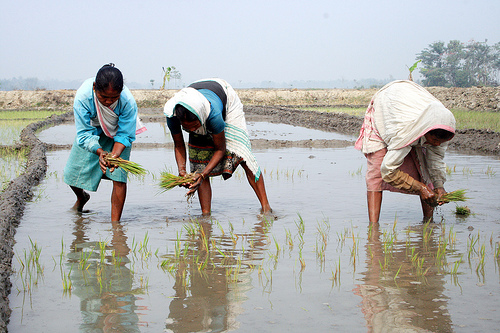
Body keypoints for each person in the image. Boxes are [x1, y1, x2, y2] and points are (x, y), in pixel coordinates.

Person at [163, 78, 272, 215]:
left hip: (226, 100)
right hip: (196, 96)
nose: (192, 131)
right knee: (198, 164)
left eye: (195, 126)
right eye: (187, 128)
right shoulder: (173, 116)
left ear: (201, 118)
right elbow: (179, 145)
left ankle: (266, 208)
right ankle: (206, 216)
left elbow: (220, 149)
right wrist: (182, 171)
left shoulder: (213, 115)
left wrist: (203, 175)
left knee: (243, 155)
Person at [355, 80, 456, 224]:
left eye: (441, 142)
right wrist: (420, 188)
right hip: (387, 106)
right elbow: (387, 171)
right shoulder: (403, 130)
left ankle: (428, 224)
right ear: (426, 130)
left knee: (425, 171)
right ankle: (373, 229)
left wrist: (439, 186)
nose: (437, 144)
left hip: (409, 103)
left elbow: (435, 160)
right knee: (376, 171)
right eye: (434, 140)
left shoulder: (442, 124)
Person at [64, 64, 145, 221]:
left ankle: (115, 225)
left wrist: (113, 156)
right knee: (72, 173)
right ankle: (82, 197)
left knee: (119, 178)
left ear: (121, 92)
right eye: (103, 97)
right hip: (92, 131)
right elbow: (84, 134)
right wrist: (99, 152)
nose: (108, 102)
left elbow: (125, 134)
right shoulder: (83, 97)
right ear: (95, 88)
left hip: (117, 134)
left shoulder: (127, 101)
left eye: (114, 98)